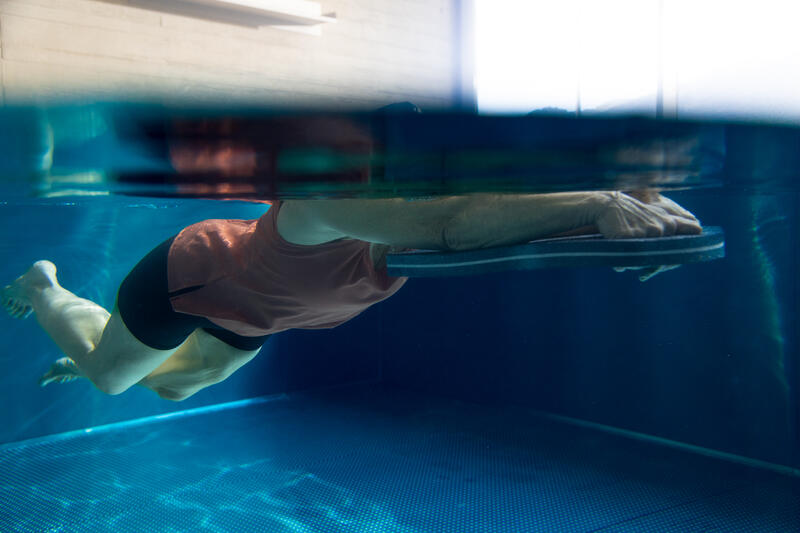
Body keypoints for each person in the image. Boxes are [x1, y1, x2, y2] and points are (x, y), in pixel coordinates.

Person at [2, 190, 700, 401]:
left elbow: (494, 222)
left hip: (265, 309)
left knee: (175, 386)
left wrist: (629, 213)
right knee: (109, 380)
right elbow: (455, 226)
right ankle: (44, 286)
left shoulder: (464, 209)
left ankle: (114, 339)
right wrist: (602, 199)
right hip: (195, 275)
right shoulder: (320, 204)